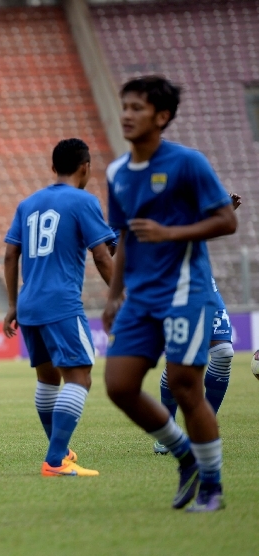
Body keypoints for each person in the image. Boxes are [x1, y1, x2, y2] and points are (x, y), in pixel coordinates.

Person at [103, 76, 236, 512]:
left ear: (161, 117)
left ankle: (212, 487)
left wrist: (171, 232)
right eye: (125, 106)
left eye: (137, 107)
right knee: (119, 386)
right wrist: (114, 294)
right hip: (140, 298)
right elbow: (126, 236)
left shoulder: (188, 163)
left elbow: (225, 220)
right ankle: (184, 455)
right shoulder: (117, 172)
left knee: (185, 387)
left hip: (184, 292)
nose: (127, 114)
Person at [3, 139, 114, 477]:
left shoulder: (28, 204)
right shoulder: (83, 201)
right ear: (86, 166)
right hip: (61, 303)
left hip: (29, 304)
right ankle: (54, 460)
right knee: (80, 377)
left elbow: (10, 254)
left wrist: (12, 304)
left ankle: (60, 452)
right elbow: (101, 254)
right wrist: (122, 295)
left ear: (53, 168)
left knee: (48, 381)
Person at [153, 194, 241, 454]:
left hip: (204, 285)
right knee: (179, 367)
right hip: (174, 291)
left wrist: (222, 212)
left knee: (223, 353)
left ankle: (204, 429)